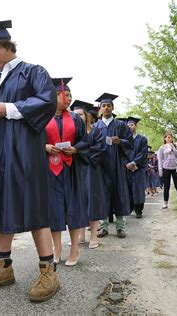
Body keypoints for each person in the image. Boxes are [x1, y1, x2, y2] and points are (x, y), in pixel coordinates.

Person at [0, 20, 58, 302]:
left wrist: (8, 108)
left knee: (32, 205)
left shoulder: (33, 72)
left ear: (9, 46)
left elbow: (47, 102)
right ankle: (3, 266)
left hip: (24, 153)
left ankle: (48, 270)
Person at [45, 78, 89, 266]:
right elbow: (32, 140)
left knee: (73, 208)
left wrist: (76, 149)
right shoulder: (43, 118)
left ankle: (74, 250)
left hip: (71, 170)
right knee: (53, 210)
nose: (69, 98)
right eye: (65, 94)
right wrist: (44, 147)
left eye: (70, 95)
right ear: (54, 96)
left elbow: (85, 141)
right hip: (50, 170)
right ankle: (57, 249)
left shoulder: (75, 119)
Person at [94, 93, 133, 239]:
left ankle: (120, 227)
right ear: (100, 108)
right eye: (103, 106)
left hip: (117, 165)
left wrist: (121, 141)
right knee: (103, 195)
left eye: (108, 105)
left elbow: (130, 143)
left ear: (112, 107)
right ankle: (103, 227)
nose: (106, 108)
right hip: (102, 166)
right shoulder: (96, 126)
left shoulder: (121, 126)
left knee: (119, 194)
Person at [71, 100, 108, 249]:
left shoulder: (96, 131)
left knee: (92, 202)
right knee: (79, 202)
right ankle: (80, 236)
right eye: (75, 114)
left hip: (91, 170)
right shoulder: (71, 132)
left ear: (87, 116)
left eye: (80, 114)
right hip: (75, 170)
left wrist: (79, 152)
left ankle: (93, 236)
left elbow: (100, 149)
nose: (77, 117)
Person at [125, 117, 148, 218]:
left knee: (138, 189)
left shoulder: (142, 139)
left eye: (132, 125)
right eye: (128, 125)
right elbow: (123, 153)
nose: (130, 127)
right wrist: (127, 164)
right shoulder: (125, 140)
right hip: (127, 168)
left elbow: (143, 153)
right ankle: (129, 209)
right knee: (128, 189)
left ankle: (139, 210)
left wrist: (134, 163)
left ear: (136, 126)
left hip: (138, 168)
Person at [157, 132, 177, 209]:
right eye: (167, 137)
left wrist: (173, 148)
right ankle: (165, 203)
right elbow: (160, 159)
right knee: (166, 186)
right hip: (166, 168)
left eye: (170, 137)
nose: (169, 138)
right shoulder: (162, 147)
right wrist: (160, 169)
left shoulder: (176, 146)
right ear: (165, 138)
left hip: (175, 168)